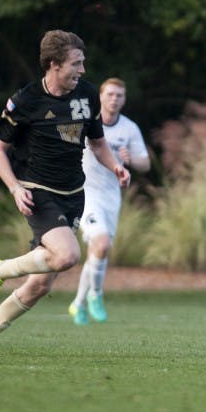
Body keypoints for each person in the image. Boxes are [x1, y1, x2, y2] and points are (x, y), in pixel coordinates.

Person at [0, 30, 130, 357]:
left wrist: (115, 166)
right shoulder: (26, 101)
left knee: (40, 284)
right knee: (68, 255)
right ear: (53, 65)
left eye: (83, 63)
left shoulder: (86, 96)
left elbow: (97, 143)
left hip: (74, 193)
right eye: (76, 63)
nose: (83, 70)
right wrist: (14, 187)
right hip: (38, 191)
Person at [68, 77, 150, 325]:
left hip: (111, 197)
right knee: (101, 244)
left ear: (124, 100)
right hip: (85, 193)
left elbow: (145, 163)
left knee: (97, 251)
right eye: (110, 94)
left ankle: (77, 303)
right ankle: (96, 294)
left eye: (120, 95)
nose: (115, 99)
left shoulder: (129, 128)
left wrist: (130, 159)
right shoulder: (86, 121)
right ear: (100, 96)